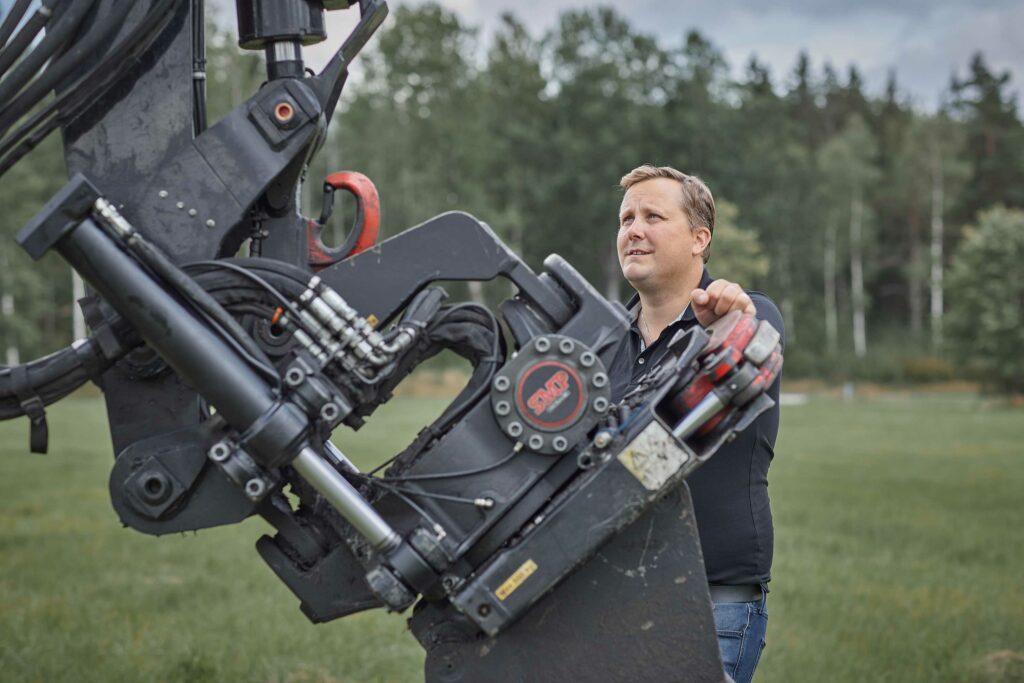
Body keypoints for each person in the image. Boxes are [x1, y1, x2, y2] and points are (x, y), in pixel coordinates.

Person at [606, 165, 784, 683]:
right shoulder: (604, 341)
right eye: (626, 218)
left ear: (699, 239)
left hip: (710, 604)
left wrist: (718, 331)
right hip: (606, 599)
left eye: (653, 216)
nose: (633, 229)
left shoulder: (746, 317)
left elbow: (676, 430)